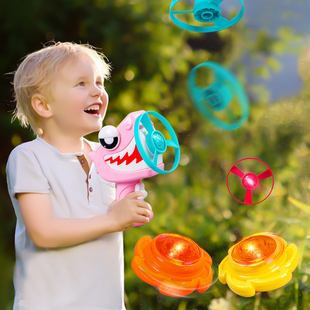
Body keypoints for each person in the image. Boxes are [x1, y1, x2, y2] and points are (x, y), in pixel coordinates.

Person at [6, 41, 152, 310]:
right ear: (43, 105)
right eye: (81, 84)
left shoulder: (109, 156)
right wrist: (112, 219)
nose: (97, 91)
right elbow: (43, 232)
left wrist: (133, 205)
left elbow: (123, 209)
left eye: (99, 82)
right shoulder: (29, 157)